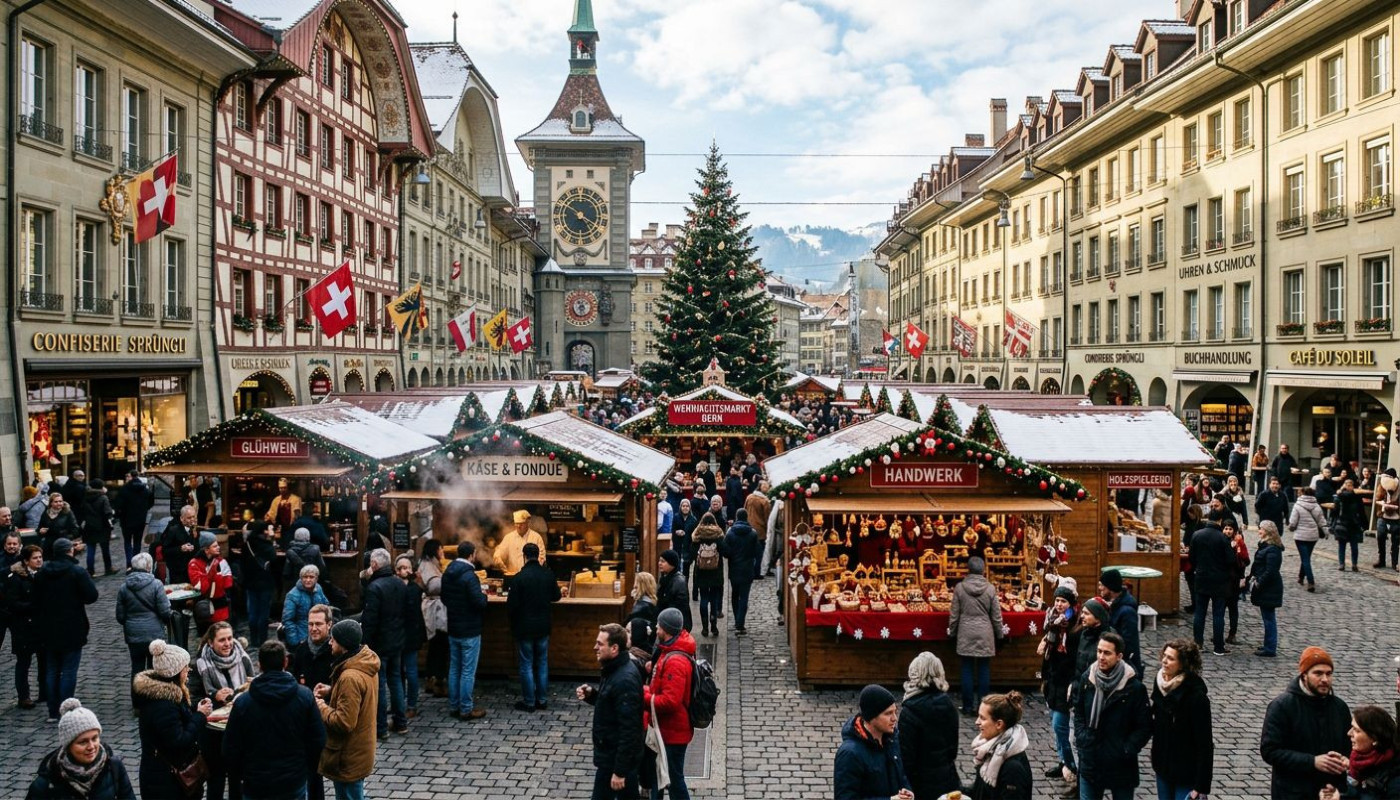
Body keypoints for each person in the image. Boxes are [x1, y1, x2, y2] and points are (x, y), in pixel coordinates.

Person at [224, 641, 327, 800]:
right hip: (293, 781)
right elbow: (318, 741)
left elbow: (231, 749)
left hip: (256, 783)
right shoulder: (304, 697)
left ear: (259, 665)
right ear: (285, 662)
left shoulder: (243, 703)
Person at [1261, 647, 1351, 800]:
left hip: (1330, 792)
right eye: (1318, 673)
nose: (1325, 679)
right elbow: (1270, 751)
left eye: (1329, 674)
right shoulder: (1282, 706)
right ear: (1304, 675)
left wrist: (1345, 760)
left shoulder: (1339, 707)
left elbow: (1349, 746)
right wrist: (1312, 761)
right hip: (1293, 793)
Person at [1071, 631, 1151, 800]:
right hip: (1091, 760)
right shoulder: (1088, 679)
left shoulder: (1134, 688)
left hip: (1120, 764)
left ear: (1119, 656)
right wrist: (1083, 738)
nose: (1101, 657)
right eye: (1099, 651)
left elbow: (1144, 726)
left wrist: (1126, 749)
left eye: (1107, 653)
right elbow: (1079, 713)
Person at [313, 619, 380, 800]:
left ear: (342, 644)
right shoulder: (364, 661)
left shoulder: (349, 677)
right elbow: (357, 697)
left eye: (333, 639)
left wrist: (321, 706)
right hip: (359, 750)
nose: (330, 642)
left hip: (349, 754)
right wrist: (331, 690)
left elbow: (344, 722)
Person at [132, 639, 207, 800]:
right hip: (167, 782)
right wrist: (200, 716)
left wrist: (195, 711)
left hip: (165, 778)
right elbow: (179, 740)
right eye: (186, 667)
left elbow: (178, 719)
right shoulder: (164, 705)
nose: (188, 671)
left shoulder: (163, 697)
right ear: (177, 671)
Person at [33, 539, 98, 722]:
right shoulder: (76, 572)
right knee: (69, 670)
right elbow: (92, 596)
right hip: (72, 627)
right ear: (70, 551)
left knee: (52, 669)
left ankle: (53, 710)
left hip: (48, 628)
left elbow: (35, 601)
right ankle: (66, 709)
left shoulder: (42, 573)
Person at [578, 622, 644, 800]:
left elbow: (630, 729)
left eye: (600, 644)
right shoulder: (613, 670)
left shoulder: (624, 679)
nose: (595, 647)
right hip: (612, 757)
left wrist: (620, 772)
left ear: (614, 648)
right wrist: (592, 695)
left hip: (616, 761)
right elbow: (612, 705)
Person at [25, 697, 136, 800]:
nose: (91, 746)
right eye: (83, 742)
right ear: (68, 745)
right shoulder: (45, 784)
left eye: (95, 738)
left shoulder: (113, 767)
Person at [1149, 639, 1213, 800]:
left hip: (1186, 772)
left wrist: (1201, 785)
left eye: (1170, 658)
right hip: (1163, 766)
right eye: (1164, 656)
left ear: (1183, 664)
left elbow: (1205, 744)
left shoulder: (1196, 697)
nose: (1164, 661)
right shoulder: (1160, 684)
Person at [645, 607, 696, 800]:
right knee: (659, 776)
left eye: (658, 626)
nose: (656, 630)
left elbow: (670, 702)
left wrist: (644, 696)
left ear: (666, 630)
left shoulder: (675, 660)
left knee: (674, 779)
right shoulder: (671, 650)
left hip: (673, 731)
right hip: (666, 729)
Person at [833, 684, 913, 800]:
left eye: (895, 712)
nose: (894, 718)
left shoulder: (892, 740)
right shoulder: (849, 754)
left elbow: (901, 775)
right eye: (888, 713)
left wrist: (907, 790)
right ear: (871, 717)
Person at [898, 651, 960, 800]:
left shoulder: (910, 710)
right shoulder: (949, 706)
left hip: (919, 784)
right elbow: (953, 750)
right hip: (947, 778)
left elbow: (906, 756)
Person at [1039, 583, 1082, 797]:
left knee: (1059, 725)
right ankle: (1065, 761)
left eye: (1063, 601)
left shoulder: (1075, 625)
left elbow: (1076, 656)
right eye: (1056, 600)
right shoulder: (1052, 622)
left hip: (1066, 681)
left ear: (1070, 604)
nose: (1058, 604)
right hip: (1053, 678)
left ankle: (1071, 765)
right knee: (1056, 724)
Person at [360, 547, 408, 739]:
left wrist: (365, 644)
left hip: (379, 644)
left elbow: (370, 621)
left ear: (374, 564)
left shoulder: (374, 588)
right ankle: (401, 722)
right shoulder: (400, 584)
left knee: (379, 685)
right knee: (396, 681)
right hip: (397, 641)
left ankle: (381, 728)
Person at [507, 542, 560, 712]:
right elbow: (556, 596)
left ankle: (529, 702)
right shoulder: (548, 575)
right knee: (542, 662)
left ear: (524, 556)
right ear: (538, 556)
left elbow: (511, 605)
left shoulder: (518, 578)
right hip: (543, 626)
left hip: (524, 627)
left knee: (526, 664)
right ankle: (542, 700)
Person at [949, 556, 1004, 715]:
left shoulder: (960, 588)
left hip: (965, 632)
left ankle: (967, 706)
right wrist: (999, 634)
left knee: (966, 669)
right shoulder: (990, 589)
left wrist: (952, 632)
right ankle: (983, 708)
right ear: (983, 570)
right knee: (984, 669)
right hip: (985, 633)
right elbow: (996, 616)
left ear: (968, 570)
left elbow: (954, 615)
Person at [115, 553, 172, 701]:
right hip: (154, 634)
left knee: (137, 668)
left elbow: (120, 616)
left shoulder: (124, 588)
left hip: (133, 635)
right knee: (155, 668)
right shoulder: (156, 585)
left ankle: (138, 702)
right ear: (149, 567)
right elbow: (165, 611)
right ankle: (155, 699)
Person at [441, 540, 488, 720]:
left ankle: (454, 706)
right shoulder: (470, 576)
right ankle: (466, 709)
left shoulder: (448, 573)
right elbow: (478, 602)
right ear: (471, 554)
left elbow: (444, 598)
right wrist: (484, 597)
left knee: (454, 668)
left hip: (453, 627)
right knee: (468, 671)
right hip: (470, 629)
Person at [1319, 706, 1400, 800]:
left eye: (1356, 730)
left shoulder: (1395, 778)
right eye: (1351, 727)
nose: (1349, 733)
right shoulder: (1358, 762)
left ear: (1374, 739)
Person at [969, 691, 1033, 800]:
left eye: (982, 718)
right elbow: (979, 791)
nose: (977, 722)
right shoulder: (988, 750)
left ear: (999, 724)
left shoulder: (1012, 769)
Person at [5, 544, 44, 709]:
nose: (39, 560)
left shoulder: (43, 575)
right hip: (22, 626)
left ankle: (45, 692)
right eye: (35, 558)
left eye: (40, 557)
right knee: (23, 662)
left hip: (40, 625)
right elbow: (13, 603)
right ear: (27, 561)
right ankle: (24, 696)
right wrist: (33, 606)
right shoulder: (16, 578)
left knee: (44, 660)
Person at [1188, 512, 1232, 656]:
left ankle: (1198, 644)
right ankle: (1218, 647)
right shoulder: (1222, 538)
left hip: (1201, 578)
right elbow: (1230, 560)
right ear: (1220, 520)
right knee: (1218, 614)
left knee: (1200, 612)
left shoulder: (1197, 535)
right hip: (1219, 580)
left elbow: (1191, 557)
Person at [417, 540, 448, 699]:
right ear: (435, 550)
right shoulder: (429, 566)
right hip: (435, 612)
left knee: (436, 646)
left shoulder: (430, 563)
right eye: (441, 548)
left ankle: (431, 679)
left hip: (435, 610)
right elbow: (435, 586)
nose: (443, 551)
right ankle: (438, 682)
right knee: (440, 646)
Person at [395, 555, 426, 720]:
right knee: (399, 671)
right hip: (400, 635)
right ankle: (400, 704)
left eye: (406, 567)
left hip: (409, 635)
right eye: (401, 567)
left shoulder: (414, 589)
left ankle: (411, 705)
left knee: (410, 671)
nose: (404, 570)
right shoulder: (402, 587)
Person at [188, 531, 233, 637]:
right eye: (215, 546)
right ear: (206, 549)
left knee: (222, 636)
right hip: (205, 608)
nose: (218, 547)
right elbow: (202, 588)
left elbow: (228, 584)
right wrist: (211, 573)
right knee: (207, 638)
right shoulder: (194, 564)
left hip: (221, 606)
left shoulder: (221, 561)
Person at [1097, 569, 1143, 674]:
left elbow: (1128, 643)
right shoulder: (1114, 604)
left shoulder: (1127, 612)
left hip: (1122, 667)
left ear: (1110, 588)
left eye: (1102, 585)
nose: (1100, 588)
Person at [1251, 521, 1286, 658]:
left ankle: (1270, 647)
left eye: (1261, 529)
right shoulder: (1267, 546)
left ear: (1267, 532)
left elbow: (1271, 570)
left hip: (1269, 588)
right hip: (1267, 587)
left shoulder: (1272, 549)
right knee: (1267, 617)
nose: (1259, 530)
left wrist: (1259, 582)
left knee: (1269, 618)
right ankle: (1268, 644)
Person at [241, 521, 278, 648]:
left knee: (252, 612)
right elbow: (274, 562)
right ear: (264, 531)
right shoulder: (267, 546)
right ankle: (262, 639)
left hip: (251, 583)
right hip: (265, 583)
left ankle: (253, 639)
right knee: (263, 612)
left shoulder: (247, 545)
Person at [722, 508, 758, 635]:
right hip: (747, 569)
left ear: (737, 517)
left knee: (735, 595)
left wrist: (732, 555)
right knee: (744, 597)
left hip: (735, 568)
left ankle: (737, 619)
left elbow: (725, 552)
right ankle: (740, 623)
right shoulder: (753, 533)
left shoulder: (730, 533)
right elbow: (757, 552)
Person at [690, 513, 725, 637]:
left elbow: (692, 553)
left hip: (701, 572)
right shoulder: (718, 534)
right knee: (714, 599)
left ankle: (705, 628)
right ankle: (714, 626)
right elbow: (724, 551)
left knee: (703, 599)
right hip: (716, 572)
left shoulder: (698, 534)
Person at [1290, 486, 1327, 593]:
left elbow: (1293, 522)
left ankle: (1311, 581)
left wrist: (1291, 527)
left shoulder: (1297, 505)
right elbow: (1322, 521)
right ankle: (1301, 577)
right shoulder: (1317, 506)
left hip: (1300, 536)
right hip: (1313, 537)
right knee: (1306, 557)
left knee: (1305, 559)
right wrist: (1326, 531)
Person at [282, 564, 330, 648]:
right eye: (305, 577)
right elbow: (287, 621)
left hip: (319, 633)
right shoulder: (292, 595)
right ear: (301, 578)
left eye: (311, 577)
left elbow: (326, 606)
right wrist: (295, 642)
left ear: (316, 578)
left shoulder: (318, 588)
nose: (308, 580)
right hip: (301, 636)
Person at [113, 472, 154, 565]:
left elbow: (118, 504)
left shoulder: (124, 489)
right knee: (137, 542)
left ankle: (129, 562)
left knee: (127, 542)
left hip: (126, 520)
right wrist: (144, 509)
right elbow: (151, 502)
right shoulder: (145, 490)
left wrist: (120, 513)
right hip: (140, 519)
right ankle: (136, 562)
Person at [77, 479, 114, 577]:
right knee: (105, 549)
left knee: (91, 549)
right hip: (102, 526)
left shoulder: (86, 496)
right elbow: (107, 512)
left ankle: (90, 570)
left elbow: (82, 511)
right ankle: (108, 568)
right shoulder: (103, 497)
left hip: (89, 526)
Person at [494, 510, 546, 577]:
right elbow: (500, 553)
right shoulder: (509, 537)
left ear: (527, 523)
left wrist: (532, 572)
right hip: (513, 576)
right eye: (516, 523)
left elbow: (541, 558)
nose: (518, 526)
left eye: (521, 524)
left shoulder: (536, 537)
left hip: (531, 577)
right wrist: (498, 558)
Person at [160, 505, 200, 585]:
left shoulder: (195, 530)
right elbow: (165, 551)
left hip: (192, 569)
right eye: (189, 518)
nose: (192, 520)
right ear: (182, 518)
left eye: (194, 517)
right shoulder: (173, 530)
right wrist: (180, 549)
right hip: (177, 571)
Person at [36, 492, 80, 561]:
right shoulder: (46, 513)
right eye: (56, 502)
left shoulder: (67, 513)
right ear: (51, 503)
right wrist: (40, 531)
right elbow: (39, 528)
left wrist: (66, 537)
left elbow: (75, 530)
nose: (59, 503)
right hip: (49, 546)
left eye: (60, 501)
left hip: (63, 545)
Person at [656, 549, 692, 632]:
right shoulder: (665, 578)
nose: (659, 563)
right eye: (659, 560)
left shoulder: (678, 582)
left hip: (675, 625)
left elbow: (677, 606)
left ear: (672, 564)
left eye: (663, 561)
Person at [1335, 479, 1365, 572]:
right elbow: (1361, 511)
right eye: (1347, 485)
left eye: (1350, 485)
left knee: (1349, 545)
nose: (1349, 486)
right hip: (1348, 523)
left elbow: (1361, 511)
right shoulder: (1351, 497)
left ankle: (1350, 564)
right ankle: (1346, 564)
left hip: (1348, 523)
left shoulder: (1341, 496)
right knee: (1346, 545)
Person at [627, 572, 660, 654]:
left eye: (636, 583)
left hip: (638, 651)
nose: (634, 586)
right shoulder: (652, 604)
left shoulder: (641, 609)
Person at [744, 483, 771, 579]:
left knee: (749, 552)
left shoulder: (749, 497)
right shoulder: (765, 501)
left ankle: (749, 571)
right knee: (759, 553)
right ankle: (757, 572)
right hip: (760, 530)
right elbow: (768, 518)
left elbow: (744, 510)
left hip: (748, 528)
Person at [1375, 469, 1400, 570]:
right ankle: (1381, 560)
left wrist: (1395, 506)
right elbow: (1377, 499)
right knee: (1380, 536)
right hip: (1383, 515)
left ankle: (1395, 563)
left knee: (1396, 540)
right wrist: (1383, 503)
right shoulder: (1381, 486)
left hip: (1396, 517)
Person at [673, 498, 698, 588]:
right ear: (680, 507)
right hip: (678, 546)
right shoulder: (676, 517)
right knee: (677, 569)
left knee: (686, 571)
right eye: (683, 506)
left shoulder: (693, 519)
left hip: (688, 548)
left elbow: (695, 535)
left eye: (687, 506)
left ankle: (684, 588)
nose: (685, 508)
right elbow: (672, 530)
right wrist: (676, 532)